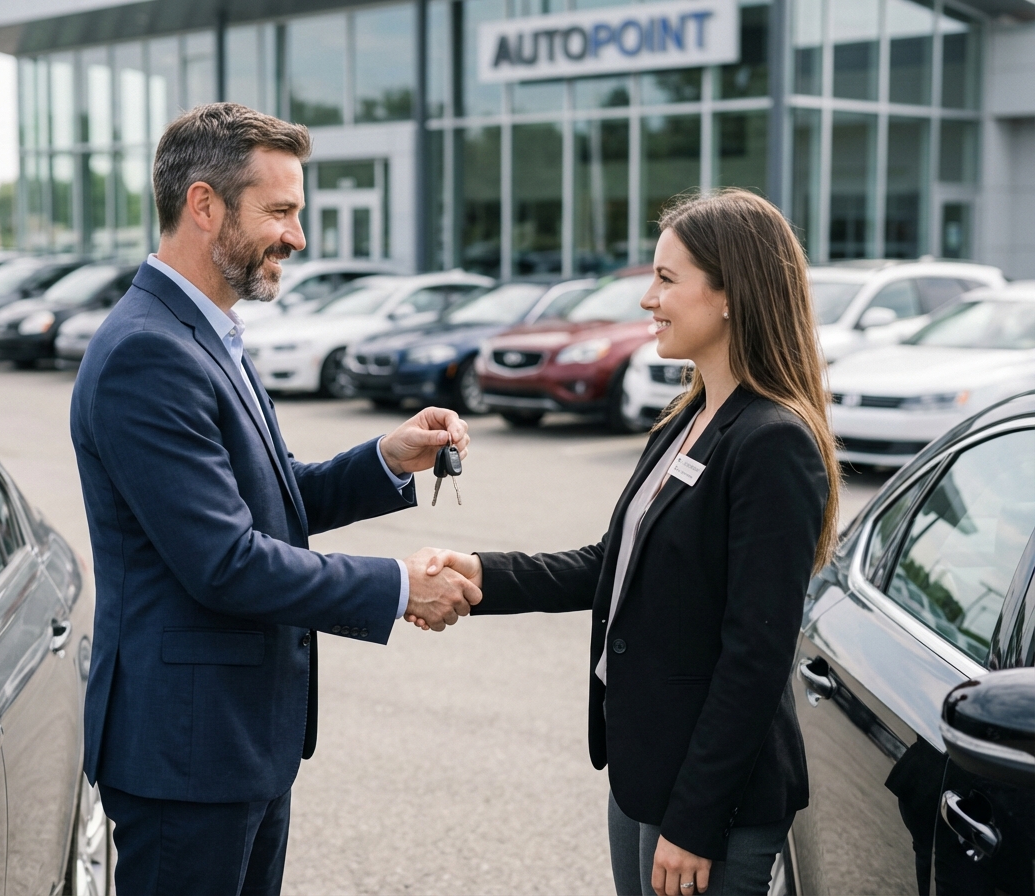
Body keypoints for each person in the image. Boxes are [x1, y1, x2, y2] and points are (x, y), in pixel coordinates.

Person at [70, 103, 481, 896]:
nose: (297, 236)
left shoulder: (203, 330)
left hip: (236, 745)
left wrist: (384, 460)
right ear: (204, 205)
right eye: (281, 212)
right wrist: (399, 588)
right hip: (186, 757)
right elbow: (225, 562)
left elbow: (266, 500)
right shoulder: (148, 354)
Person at [418, 189, 841, 896]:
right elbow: (615, 565)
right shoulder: (688, 418)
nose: (647, 299)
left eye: (667, 280)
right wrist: (482, 574)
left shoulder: (772, 443)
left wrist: (695, 822)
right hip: (645, 770)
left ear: (734, 293)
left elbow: (755, 657)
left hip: (711, 802)